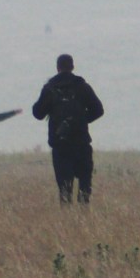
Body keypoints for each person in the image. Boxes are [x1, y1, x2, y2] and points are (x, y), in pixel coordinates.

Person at [32, 54, 104, 204]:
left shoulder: (50, 88)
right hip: (81, 143)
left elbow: (38, 113)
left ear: (57, 68)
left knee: (64, 187)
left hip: (60, 145)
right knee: (84, 183)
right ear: (72, 67)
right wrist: (82, 120)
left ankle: (66, 218)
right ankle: (83, 214)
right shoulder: (83, 87)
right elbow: (98, 110)